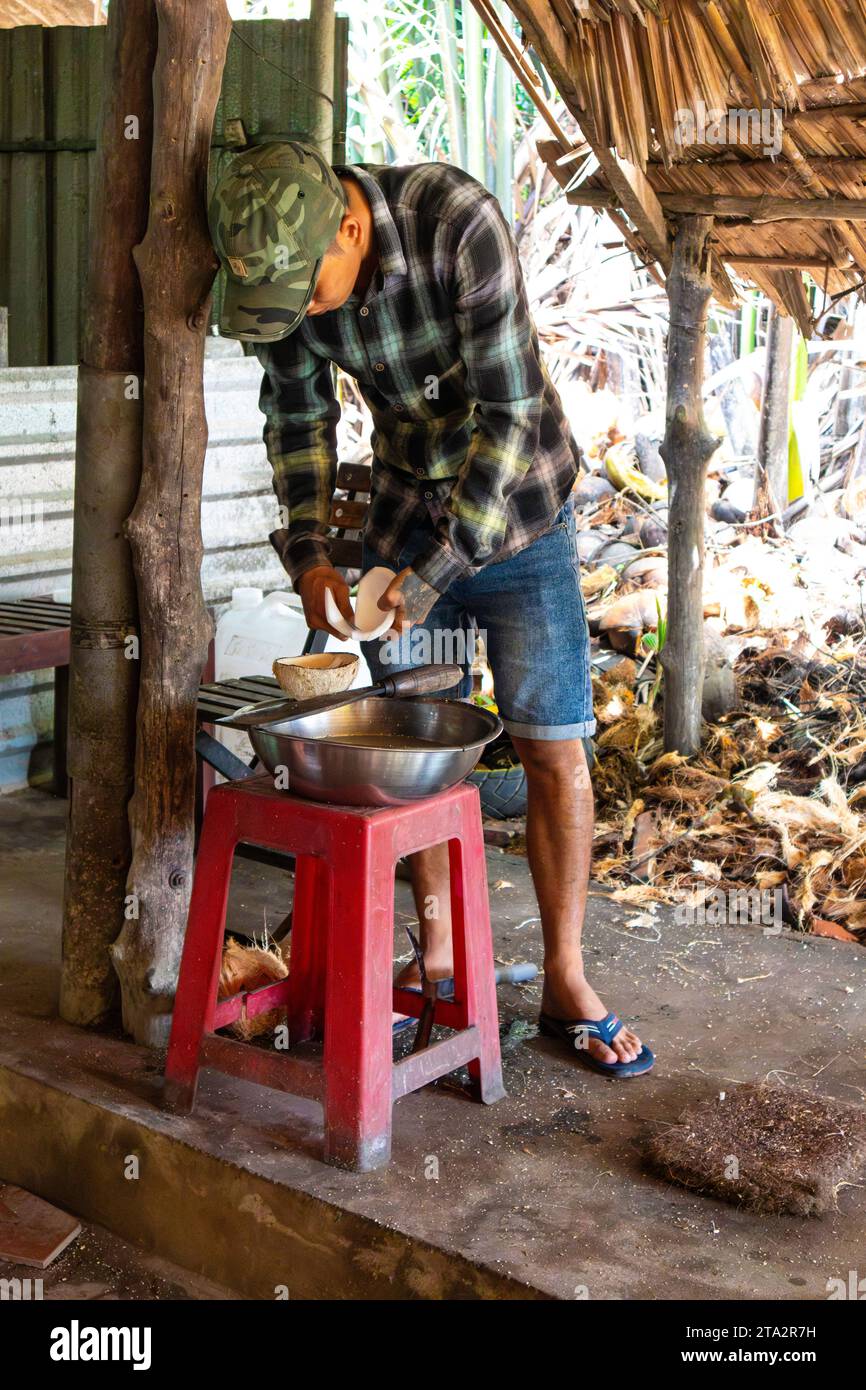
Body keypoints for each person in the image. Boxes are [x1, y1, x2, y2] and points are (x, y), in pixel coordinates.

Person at [209, 140, 653, 1076]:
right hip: (408, 517)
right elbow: (299, 421)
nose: (302, 312)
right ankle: (442, 962)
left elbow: (509, 411)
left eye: (311, 291)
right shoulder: (289, 285)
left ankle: (567, 980)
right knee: (414, 761)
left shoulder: (456, 223)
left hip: (523, 511)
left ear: (352, 226)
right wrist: (311, 554)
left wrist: (435, 573)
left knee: (551, 742)